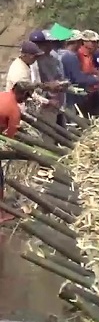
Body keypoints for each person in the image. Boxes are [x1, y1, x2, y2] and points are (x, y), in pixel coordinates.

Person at [0, 82, 33, 222]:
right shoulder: (14, 110)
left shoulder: (2, 95)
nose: (24, 101)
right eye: (26, 98)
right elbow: (11, 138)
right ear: (22, 94)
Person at [61, 31, 99, 112]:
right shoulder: (72, 56)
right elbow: (78, 78)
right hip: (73, 95)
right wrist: (95, 78)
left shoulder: (65, 54)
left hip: (73, 94)